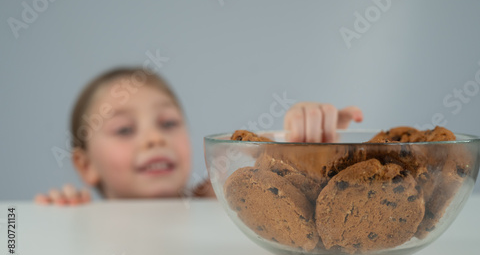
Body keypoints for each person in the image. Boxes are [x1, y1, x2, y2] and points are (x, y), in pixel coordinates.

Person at [34, 67, 363, 205]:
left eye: (167, 123)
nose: (154, 139)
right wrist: (58, 212)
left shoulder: (215, 199)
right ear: (85, 165)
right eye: (124, 129)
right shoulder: (80, 213)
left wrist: (298, 138)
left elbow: (278, 181)